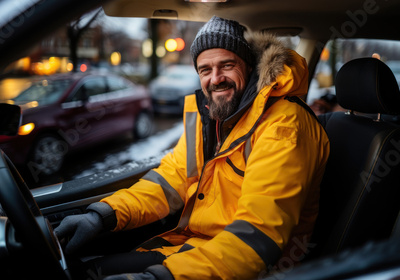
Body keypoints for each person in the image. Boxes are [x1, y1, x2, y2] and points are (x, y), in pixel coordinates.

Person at [55, 16, 330, 280]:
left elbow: (258, 235)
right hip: (194, 247)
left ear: (248, 66)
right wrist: (103, 214)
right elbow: (169, 182)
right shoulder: (207, 117)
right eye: (205, 70)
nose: (216, 78)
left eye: (227, 65)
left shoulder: (284, 125)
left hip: (253, 266)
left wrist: (164, 276)